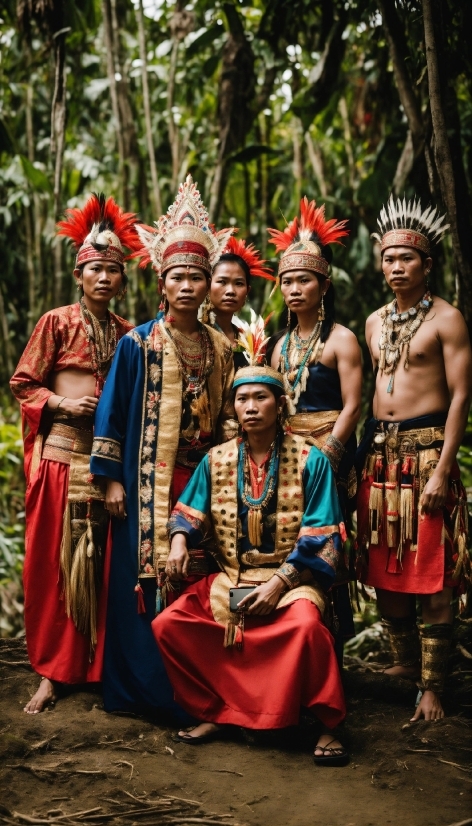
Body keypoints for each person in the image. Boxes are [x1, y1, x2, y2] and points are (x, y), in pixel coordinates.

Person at [152, 359, 349, 766]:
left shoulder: (312, 460)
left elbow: (322, 536)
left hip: (292, 581)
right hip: (231, 579)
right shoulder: (216, 459)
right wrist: (176, 543)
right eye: (242, 399)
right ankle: (218, 711)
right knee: (169, 625)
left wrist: (278, 584)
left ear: (281, 404)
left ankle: (327, 723)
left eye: (261, 397)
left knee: (306, 629)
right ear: (234, 408)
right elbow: (187, 512)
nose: (251, 406)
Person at [90, 176, 236, 716]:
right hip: (144, 483)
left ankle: (199, 691)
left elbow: (227, 417)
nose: (188, 286)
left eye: (197, 278)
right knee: (142, 581)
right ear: (162, 282)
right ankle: (144, 692)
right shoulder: (138, 343)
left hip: (202, 483)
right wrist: (109, 479)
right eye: (177, 277)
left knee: (201, 578)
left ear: (206, 283)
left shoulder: (222, 347)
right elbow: (114, 413)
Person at [10, 194, 138, 713]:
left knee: (107, 567)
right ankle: (51, 670)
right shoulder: (56, 322)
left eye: (113, 270)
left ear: (123, 278)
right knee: (56, 566)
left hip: (109, 466)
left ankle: (99, 665)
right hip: (62, 457)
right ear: (79, 274)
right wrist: (63, 402)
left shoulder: (130, 335)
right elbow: (22, 383)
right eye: (95, 269)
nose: (104, 278)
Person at [356, 195, 471, 721]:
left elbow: (461, 397)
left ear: (427, 264)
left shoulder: (448, 319)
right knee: (385, 568)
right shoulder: (374, 322)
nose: (396, 267)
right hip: (381, 459)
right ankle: (405, 665)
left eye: (406, 259)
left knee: (433, 573)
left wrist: (444, 470)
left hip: (427, 459)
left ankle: (432, 686)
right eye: (389, 259)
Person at [267, 197, 362, 654]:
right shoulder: (276, 344)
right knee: (289, 538)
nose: (294, 289)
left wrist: (328, 456)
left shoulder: (342, 339)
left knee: (328, 543)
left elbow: (354, 404)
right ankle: (292, 641)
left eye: (303, 279)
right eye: (286, 281)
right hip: (289, 454)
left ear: (323, 285)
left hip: (329, 450)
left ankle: (333, 647)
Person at [206, 236, 276, 369]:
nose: (231, 291)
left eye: (239, 283)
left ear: (247, 291)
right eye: (222, 282)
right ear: (208, 285)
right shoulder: (196, 332)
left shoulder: (249, 338)